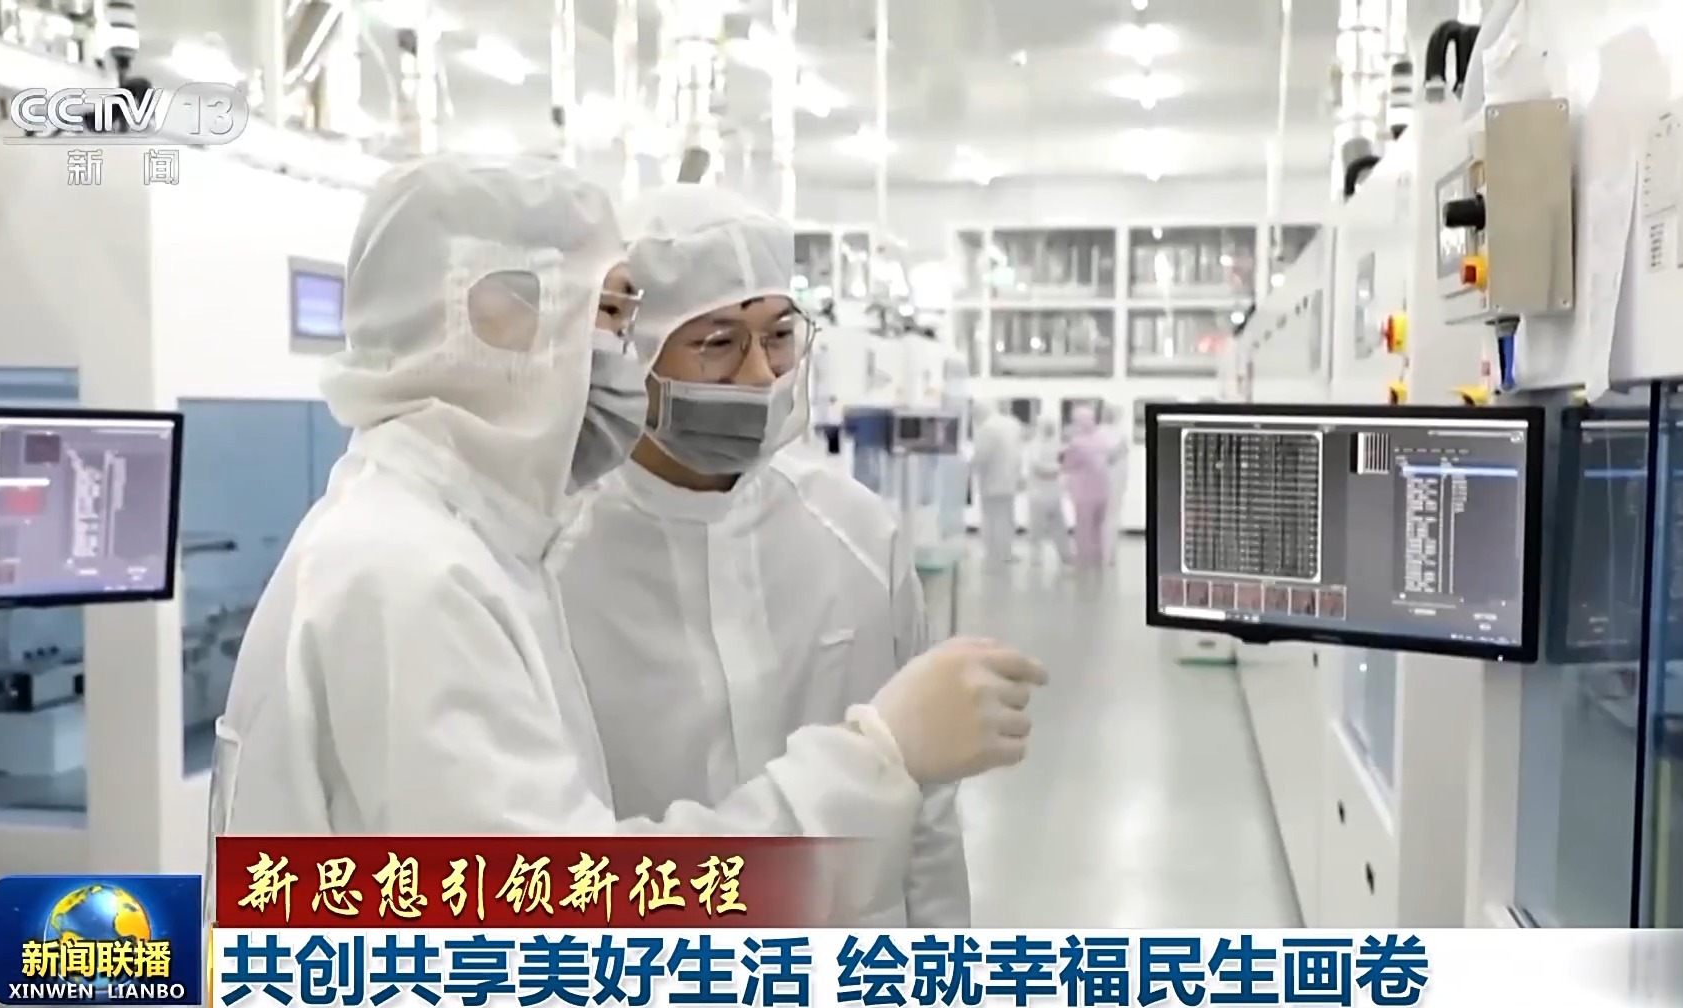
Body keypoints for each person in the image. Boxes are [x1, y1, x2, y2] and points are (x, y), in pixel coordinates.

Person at [203, 157, 1049, 916]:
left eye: (780, 336)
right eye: (609, 315)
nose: (617, 358)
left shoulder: (469, 546)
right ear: (500, 322)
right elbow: (566, 910)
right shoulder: (413, 576)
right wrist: (879, 757)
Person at [550, 183, 973, 926]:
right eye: (717, 343)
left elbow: (926, 808)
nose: (758, 375)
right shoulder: (557, 564)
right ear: (635, 352)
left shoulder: (857, 534)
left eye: (778, 336)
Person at [971, 403, 1025, 564]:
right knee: (1007, 518)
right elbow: (1018, 453)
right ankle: (1006, 552)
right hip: (1010, 480)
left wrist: (970, 467)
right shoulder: (1013, 424)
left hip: (992, 481)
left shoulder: (987, 428)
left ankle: (993, 553)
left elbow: (982, 455)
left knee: (991, 518)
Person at [1061, 404, 1113, 568]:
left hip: (1083, 493)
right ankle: (1099, 557)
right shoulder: (1101, 439)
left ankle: (1084, 559)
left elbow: (1067, 465)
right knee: (1098, 527)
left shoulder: (1077, 443)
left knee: (1083, 528)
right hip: (1102, 491)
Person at [1024, 417, 1073, 565]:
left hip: (1053, 494)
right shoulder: (1035, 445)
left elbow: (1065, 462)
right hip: (1037, 494)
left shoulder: (1057, 445)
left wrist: (1058, 470)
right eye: (1047, 426)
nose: (1050, 429)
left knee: (1059, 527)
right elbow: (1038, 467)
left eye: (1052, 426)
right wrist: (1056, 470)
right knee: (1036, 529)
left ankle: (1066, 555)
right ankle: (1035, 558)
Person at [1101, 405, 1132, 566]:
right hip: (1115, 481)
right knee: (1112, 517)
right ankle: (1109, 553)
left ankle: (1104, 553)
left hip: (1103, 481)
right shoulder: (1119, 434)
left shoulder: (1099, 433)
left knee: (1104, 518)